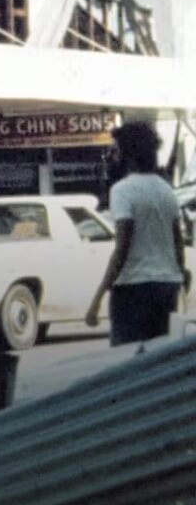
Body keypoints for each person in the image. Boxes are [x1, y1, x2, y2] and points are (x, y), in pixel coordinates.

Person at [85, 122, 186, 346]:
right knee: (157, 358)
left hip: (133, 288)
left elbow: (123, 246)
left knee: (127, 358)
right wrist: (180, 276)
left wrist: (99, 296)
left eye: (116, 151)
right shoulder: (166, 190)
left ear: (127, 155)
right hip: (166, 286)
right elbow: (177, 242)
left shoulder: (122, 190)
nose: (113, 157)